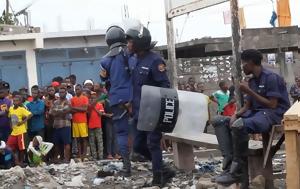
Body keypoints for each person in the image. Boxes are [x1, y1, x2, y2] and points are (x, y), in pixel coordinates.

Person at [212, 49, 290, 187]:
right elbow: (247, 106)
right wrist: (236, 114)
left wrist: (248, 91)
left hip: (273, 114)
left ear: (251, 63)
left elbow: (272, 104)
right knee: (219, 121)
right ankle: (229, 165)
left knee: (239, 125)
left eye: (243, 64)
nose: (242, 67)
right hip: (256, 113)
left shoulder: (271, 77)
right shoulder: (252, 80)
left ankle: (237, 171)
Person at [126, 24, 175, 187]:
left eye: (130, 41)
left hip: (153, 110)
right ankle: (164, 169)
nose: (128, 44)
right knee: (139, 146)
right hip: (138, 111)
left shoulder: (155, 61)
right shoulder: (134, 60)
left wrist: (161, 111)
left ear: (139, 43)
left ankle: (158, 178)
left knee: (153, 143)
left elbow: (165, 86)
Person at [99, 25, 133, 176]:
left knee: (121, 133)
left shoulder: (105, 60)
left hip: (116, 100)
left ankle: (126, 167)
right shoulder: (130, 54)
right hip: (134, 97)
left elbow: (103, 78)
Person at [7, 92, 32, 166]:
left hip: (21, 131)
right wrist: (10, 125)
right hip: (14, 132)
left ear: (20, 101)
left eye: (17, 101)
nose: (15, 102)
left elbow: (30, 114)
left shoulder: (21, 109)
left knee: (21, 148)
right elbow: (9, 117)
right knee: (9, 146)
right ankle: (15, 161)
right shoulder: (11, 109)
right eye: (14, 101)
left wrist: (23, 122)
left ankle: (21, 162)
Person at [49, 87, 72, 163]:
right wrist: (60, 112)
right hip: (56, 125)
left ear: (66, 93)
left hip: (65, 125)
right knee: (56, 144)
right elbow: (51, 112)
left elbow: (65, 111)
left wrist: (57, 111)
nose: (61, 93)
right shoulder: (55, 102)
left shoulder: (68, 102)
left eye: (63, 92)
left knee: (66, 143)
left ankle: (66, 159)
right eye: (60, 92)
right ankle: (58, 158)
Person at [70, 84, 89, 161]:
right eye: (76, 89)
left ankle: (84, 154)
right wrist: (79, 109)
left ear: (81, 90)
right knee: (77, 139)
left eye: (78, 89)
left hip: (82, 121)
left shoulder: (85, 98)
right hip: (75, 121)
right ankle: (79, 154)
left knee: (84, 138)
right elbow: (70, 110)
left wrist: (74, 108)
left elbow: (85, 109)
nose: (76, 91)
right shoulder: (72, 99)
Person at [88, 92, 105, 160]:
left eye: (94, 98)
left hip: (98, 126)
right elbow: (88, 115)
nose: (92, 100)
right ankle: (94, 156)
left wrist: (94, 107)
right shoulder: (89, 106)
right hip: (90, 126)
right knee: (92, 142)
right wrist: (90, 107)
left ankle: (100, 156)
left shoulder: (100, 105)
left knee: (99, 141)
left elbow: (101, 114)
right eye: (91, 98)